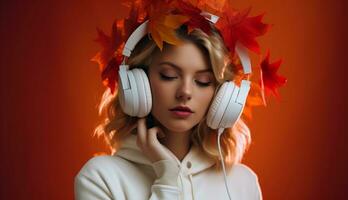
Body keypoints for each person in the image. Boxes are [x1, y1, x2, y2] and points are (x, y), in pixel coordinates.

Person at [74, 1, 285, 199]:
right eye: (168, 76)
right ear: (139, 82)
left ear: (223, 95)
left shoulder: (242, 183)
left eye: (202, 81)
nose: (185, 92)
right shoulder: (101, 177)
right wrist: (166, 177)